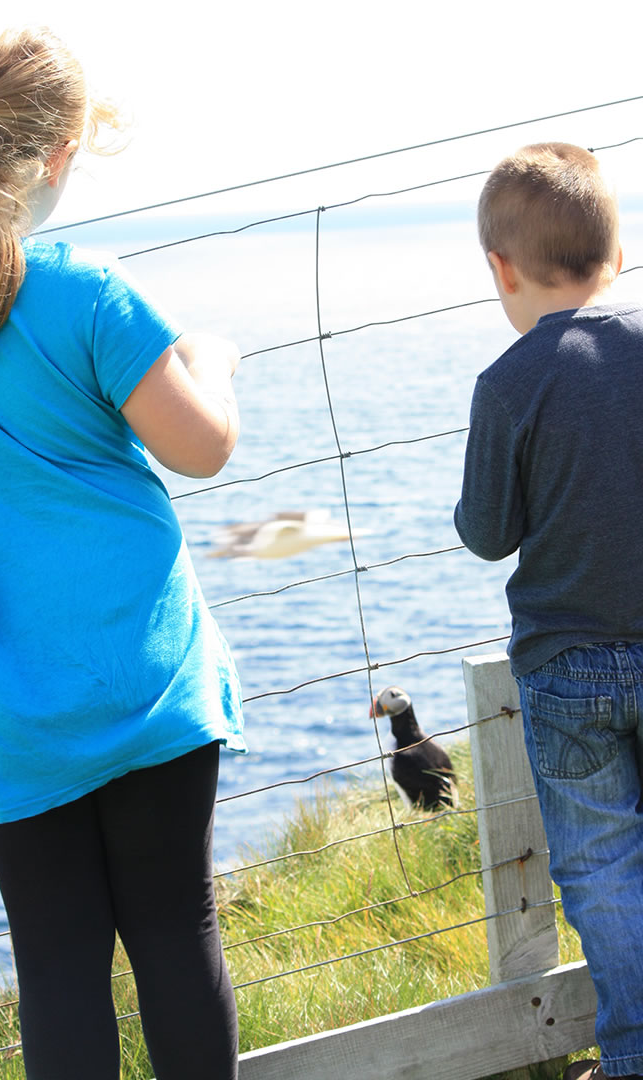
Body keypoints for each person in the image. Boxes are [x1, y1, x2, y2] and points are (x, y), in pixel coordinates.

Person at [0, 27, 246, 1080]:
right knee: (172, 931)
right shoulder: (91, 295)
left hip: (10, 699)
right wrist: (209, 357)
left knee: (55, 965)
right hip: (143, 678)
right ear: (62, 158)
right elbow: (203, 446)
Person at [454, 143, 643, 1080]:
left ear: (502, 267)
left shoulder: (510, 382)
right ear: (619, 249)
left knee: (603, 870)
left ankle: (634, 1053)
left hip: (567, 667)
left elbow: (487, 534)